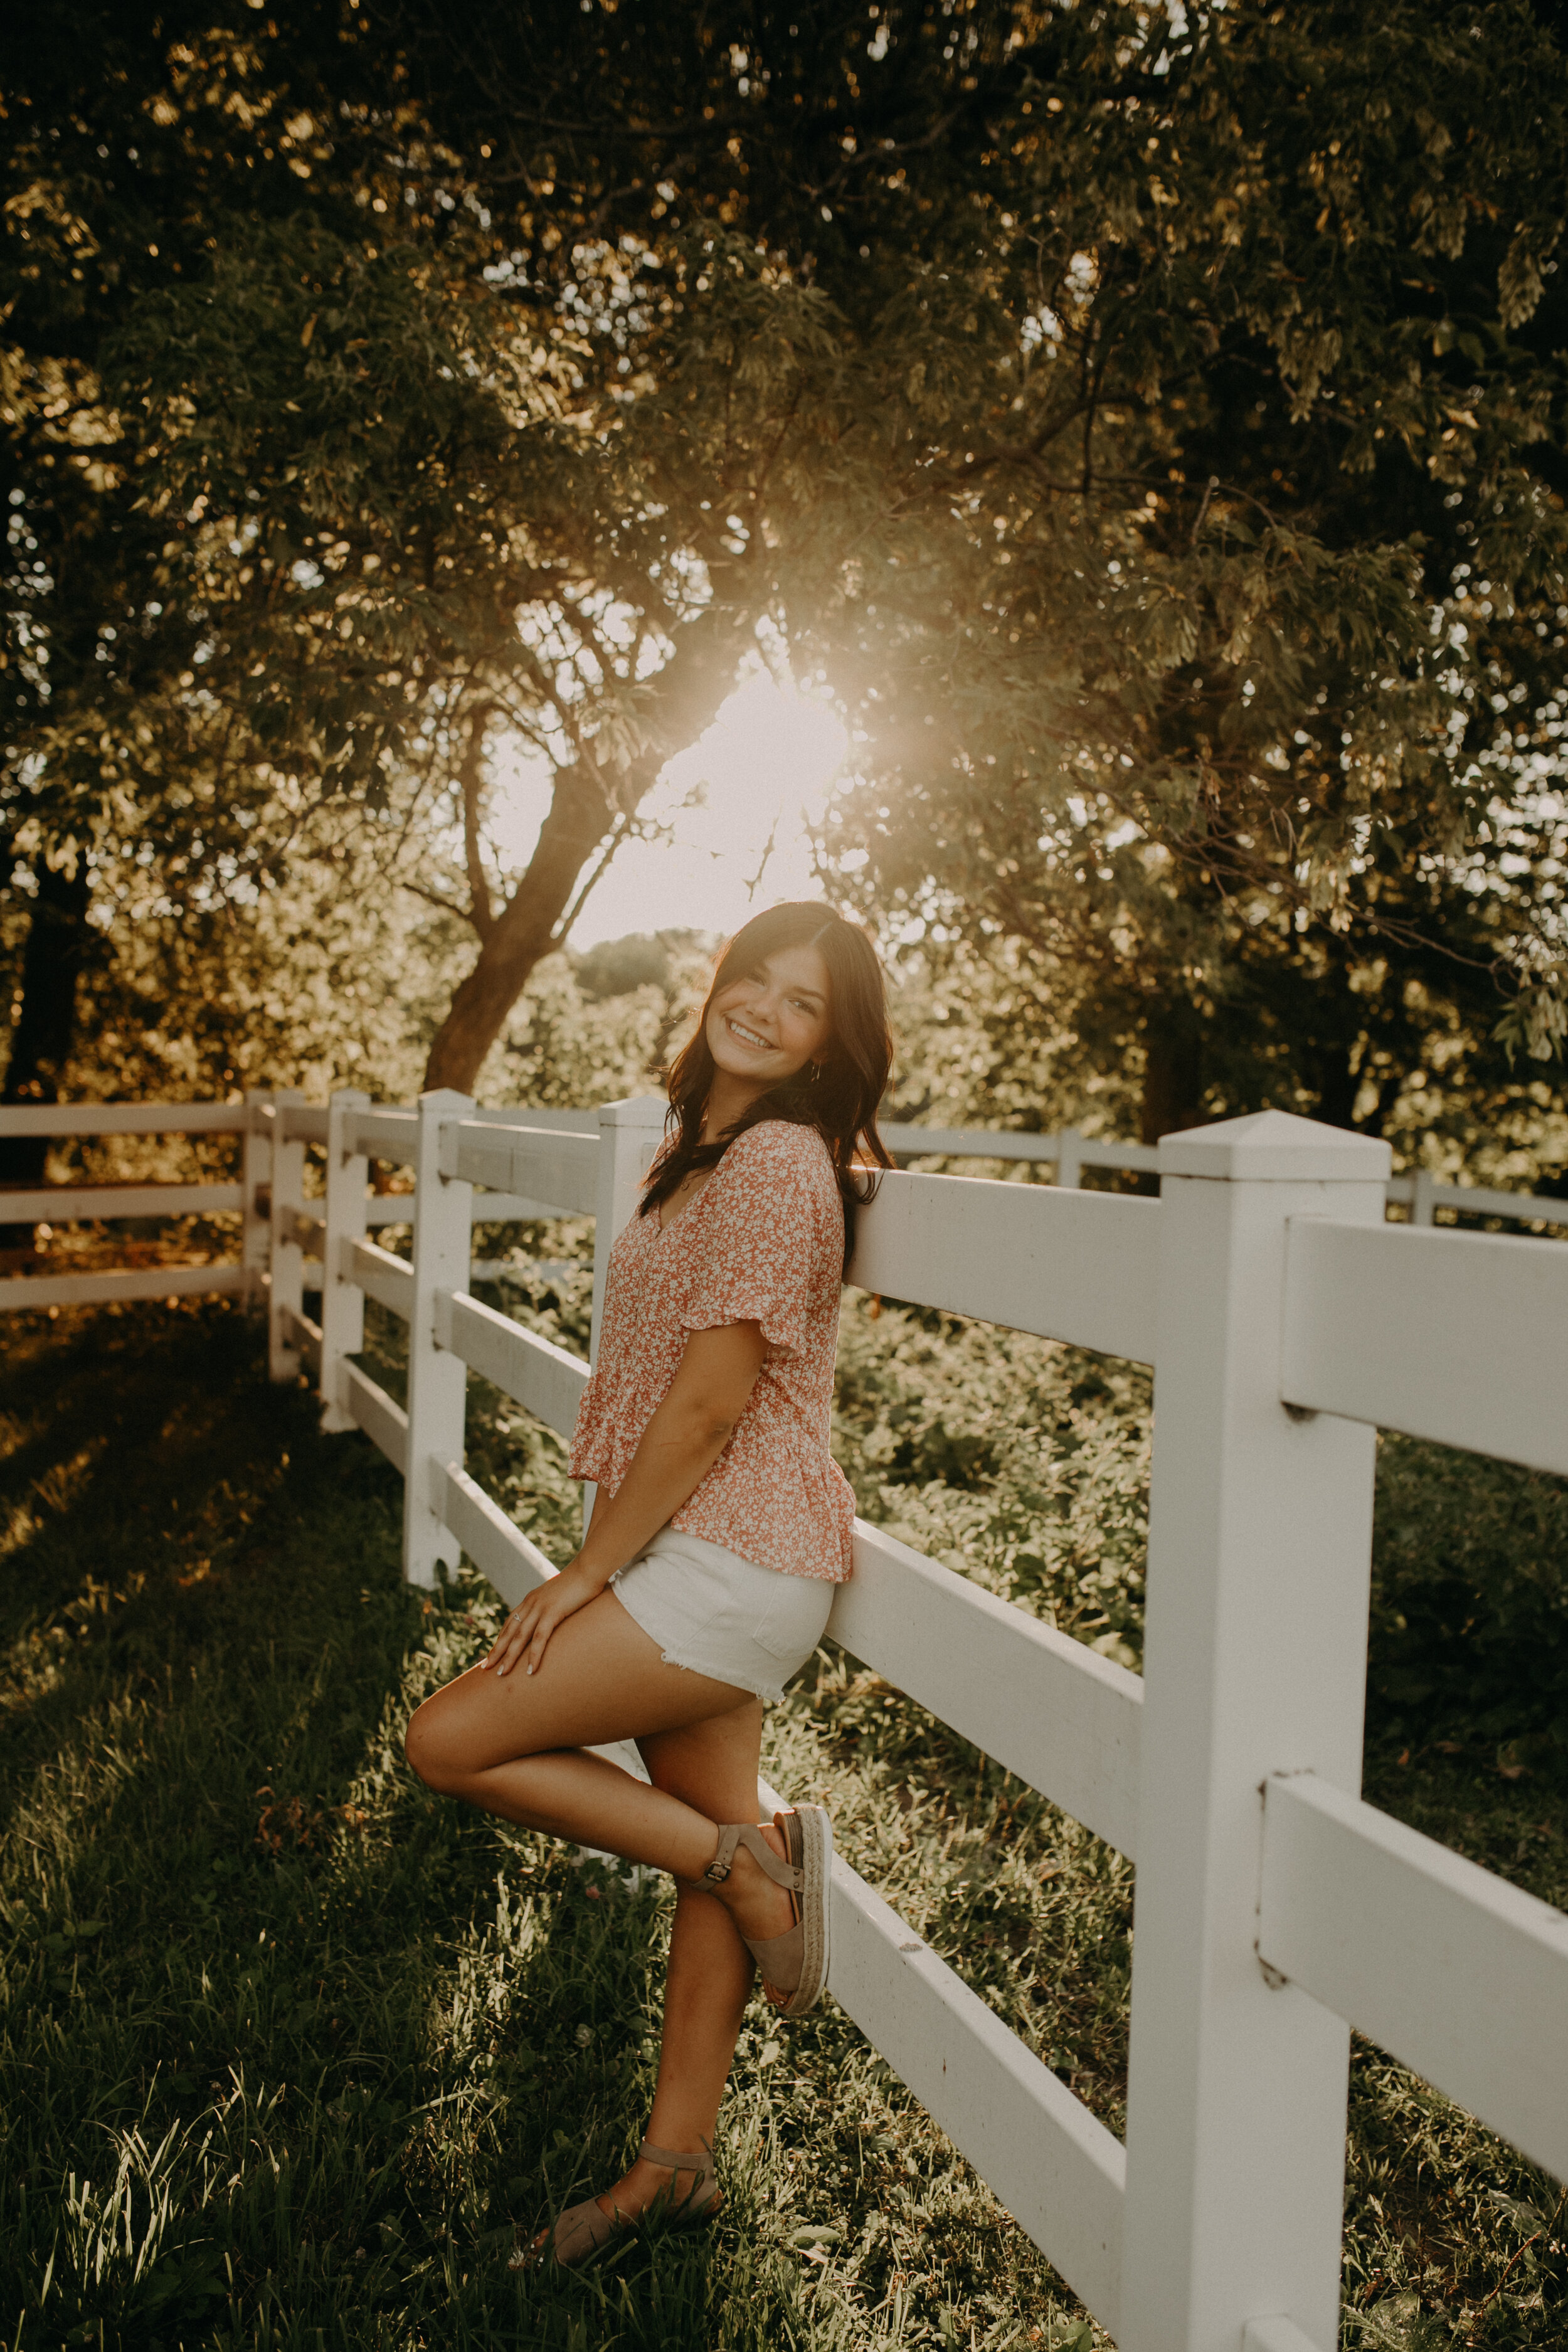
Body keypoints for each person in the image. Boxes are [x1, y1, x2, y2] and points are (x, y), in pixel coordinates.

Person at [403, 901, 894, 2267]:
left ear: (826, 1044)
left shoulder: (778, 1161)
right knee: (702, 1828)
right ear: (717, 985)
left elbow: (710, 1400)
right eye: (754, 977)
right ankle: (672, 2170)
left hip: (728, 1556)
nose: (763, 1007)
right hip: (709, 1544)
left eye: (802, 1002)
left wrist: (585, 1573)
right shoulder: (703, 1152)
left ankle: (751, 1871)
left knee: (449, 1738)